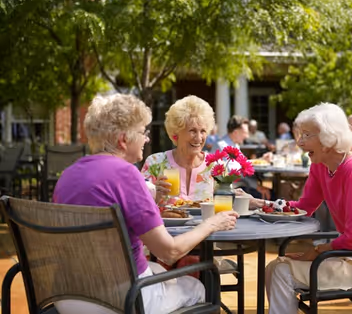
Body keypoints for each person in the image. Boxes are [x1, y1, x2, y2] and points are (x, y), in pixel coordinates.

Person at [53, 94, 238, 314]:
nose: (147, 139)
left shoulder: (67, 175)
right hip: (121, 296)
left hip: (67, 295)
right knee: (198, 286)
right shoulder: (127, 175)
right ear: (123, 140)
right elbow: (170, 251)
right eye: (143, 132)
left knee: (158, 269)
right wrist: (212, 224)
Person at [265, 103, 352, 314]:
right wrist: (263, 204)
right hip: (350, 255)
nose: (299, 141)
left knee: (281, 271)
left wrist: (318, 250)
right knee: (276, 267)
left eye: (306, 135)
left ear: (328, 139)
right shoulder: (321, 166)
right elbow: (304, 207)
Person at [142, 95, 216, 202]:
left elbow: (227, 200)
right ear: (176, 132)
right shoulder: (154, 163)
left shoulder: (215, 165)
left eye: (203, 131)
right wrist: (154, 196)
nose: (199, 138)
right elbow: (139, 205)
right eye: (192, 131)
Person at [212, 115, 272, 199]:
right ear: (236, 132)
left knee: (269, 192)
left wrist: (261, 159)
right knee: (268, 196)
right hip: (229, 191)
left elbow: (243, 163)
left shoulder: (234, 144)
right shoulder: (222, 146)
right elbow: (234, 174)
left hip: (239, 185)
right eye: (245, 133)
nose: (247, 136)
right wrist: (256, 186)